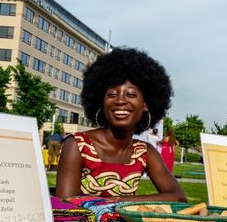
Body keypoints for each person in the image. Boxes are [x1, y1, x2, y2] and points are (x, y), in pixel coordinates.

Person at [56, 48, 186, 202]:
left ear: (145, 104)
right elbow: (64, 204)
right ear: (101, 102)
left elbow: (178, 198)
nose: (120, 101)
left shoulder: (144, 152)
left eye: (131, 94)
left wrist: (122, 200)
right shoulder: (78, 145)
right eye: (111, 94)